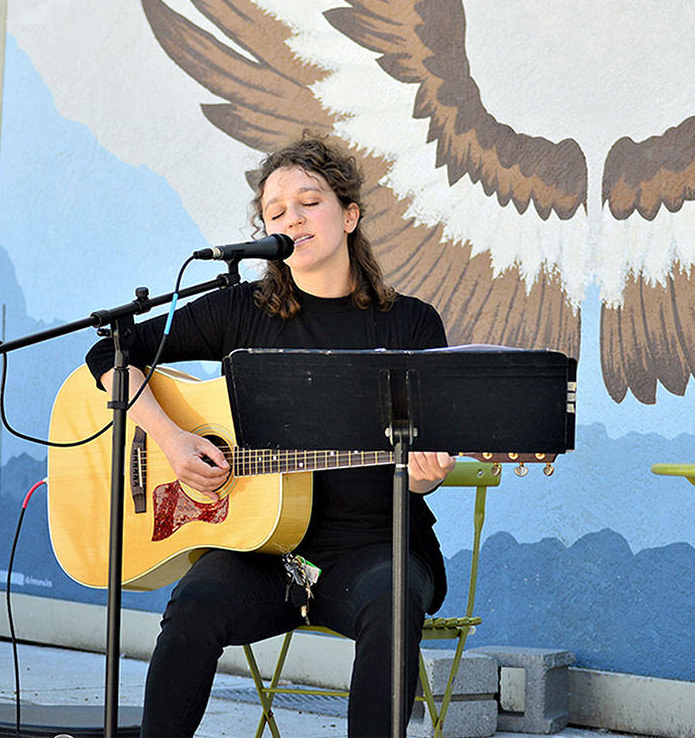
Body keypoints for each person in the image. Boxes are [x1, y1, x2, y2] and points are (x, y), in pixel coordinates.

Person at [85, 135, 455, 738]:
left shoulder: (409, 324)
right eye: (276, 212)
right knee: (193, 606)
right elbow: (111, 353)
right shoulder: (241, 310)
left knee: (392, 604)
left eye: (309, 202)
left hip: (375, 549)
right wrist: (172, 439)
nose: (292, 219)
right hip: (260, 549)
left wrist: (424, 476)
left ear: (350, 215)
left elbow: (430, 450)